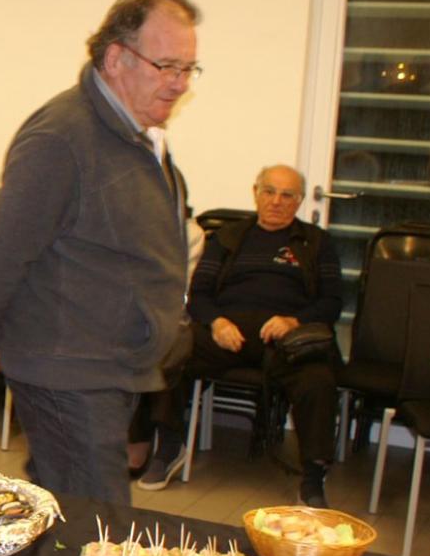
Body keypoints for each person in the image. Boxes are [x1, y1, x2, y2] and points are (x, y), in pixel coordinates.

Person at [0, 0, 197, 507]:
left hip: (102, 364)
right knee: (95, 528)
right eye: (167, 66)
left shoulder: (135, 131)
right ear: (116, 58)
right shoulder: (63, 138)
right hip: (71, 371)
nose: (179, 84)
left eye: (188, 70)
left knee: (62, 509)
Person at [138, 165, 343, 504]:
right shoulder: (228, 238)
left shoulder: (317, 243)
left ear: (300, 201)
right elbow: (199, 293)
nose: (276, 201)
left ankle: (313, 475)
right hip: (228, 334)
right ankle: (169, 445)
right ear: (256, 193)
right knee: (171, 348)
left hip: (287, 340)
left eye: (287, 195)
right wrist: (216, 322)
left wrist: (294, 320)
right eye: (269, 191)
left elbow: (332, 303)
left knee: (317, 378)